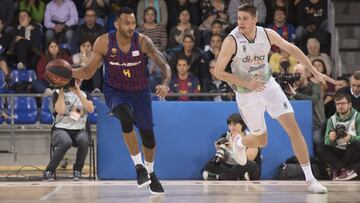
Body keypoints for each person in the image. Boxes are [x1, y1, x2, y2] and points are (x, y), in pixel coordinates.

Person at [214, 4, 333, 193]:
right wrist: (246, 83)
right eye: (239, 18)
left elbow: (292, 49)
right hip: (246, 94)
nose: (240, 22)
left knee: (293, 128)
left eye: (245, 19)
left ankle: (310, 179)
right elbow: (218, 72)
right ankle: (239, 143)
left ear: (255, 19)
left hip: (268, 86)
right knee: (262, 141)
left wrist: (315, 72)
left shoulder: (266, 34)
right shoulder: (232, 40)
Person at [72, 7, 171, 194]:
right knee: (125, 116)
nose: (131, 26)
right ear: (117, 23)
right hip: (115, 91)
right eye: (127, 23)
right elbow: (87, 72)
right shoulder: (103, 42)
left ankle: (151, 173)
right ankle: (139, 167)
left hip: (140, 91)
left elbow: (164, 65)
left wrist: (165, 83)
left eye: (133, 23)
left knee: (148, 138)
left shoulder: (142, 41)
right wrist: (68, 72)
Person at [43, 79, 94, 181]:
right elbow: (60, 111)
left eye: (80, 79)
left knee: (84, 140)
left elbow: (90, 109)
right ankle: (49, 171)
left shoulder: (85, 94)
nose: (79, 81)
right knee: (66, 141)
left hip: (79, 130)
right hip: (60, 129)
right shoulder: (57, 93)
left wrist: (79, 94)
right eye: (76, 79)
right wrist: (61, 92)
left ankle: (77, 171)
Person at [202, 113, 261, 180]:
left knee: (248, 165)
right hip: (231, 166)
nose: (231, 127)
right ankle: (239, 177)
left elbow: (250, 157)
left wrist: (233, 147)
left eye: (234, 125)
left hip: (245, 166)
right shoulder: (226, 136)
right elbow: (224, 158)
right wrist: (220, 150)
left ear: (242, 124)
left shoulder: (250, 137)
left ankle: (219, 177)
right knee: (209, 165)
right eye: (229, 125)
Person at [317, 92, 360, 181]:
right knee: (320, 147)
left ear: (350, 104)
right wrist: (330, 139)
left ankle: (338, 170)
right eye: (338, 104)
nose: (340, 106)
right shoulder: (331, 120)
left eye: (343, 103)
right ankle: (343, 169)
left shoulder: (357, 117)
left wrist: (351, 138)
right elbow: (326, 141)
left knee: (356, 144)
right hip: (338, 149)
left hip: (352, 151)